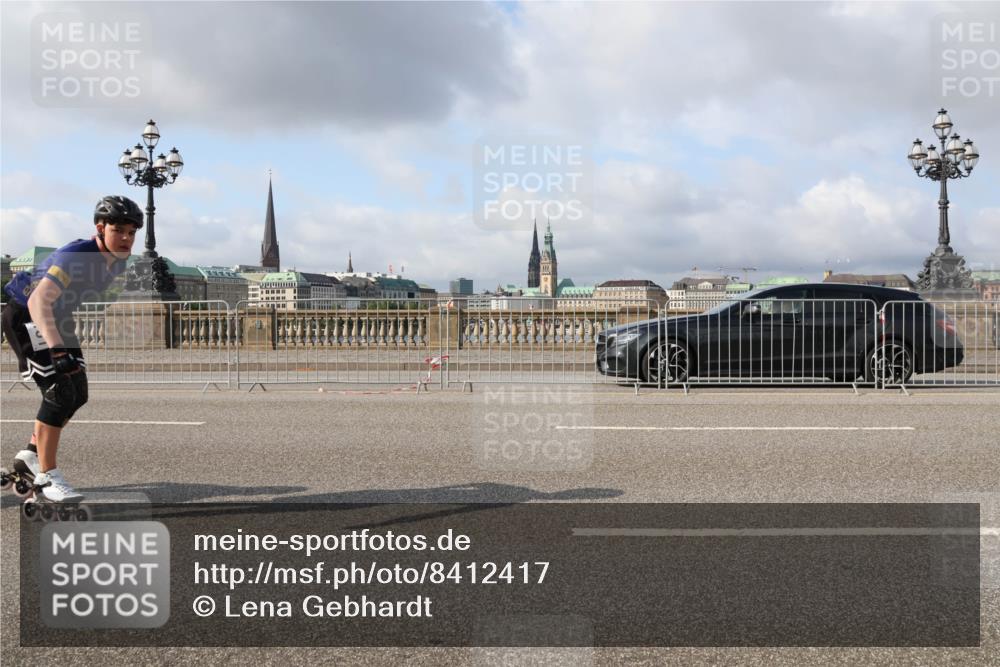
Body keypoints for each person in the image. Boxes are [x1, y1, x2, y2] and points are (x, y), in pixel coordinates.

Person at [1, 195, 141, 502]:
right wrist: (58, 351)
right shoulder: (78, 255)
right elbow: (39, 300)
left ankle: (32, 454)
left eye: (132, 233)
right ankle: (46, 477)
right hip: (28, 314)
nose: (127, 239)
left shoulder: (117, 263)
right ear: (100, 228)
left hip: (57, 318)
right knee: (58, 390)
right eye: (119, 230)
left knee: (78, 392)